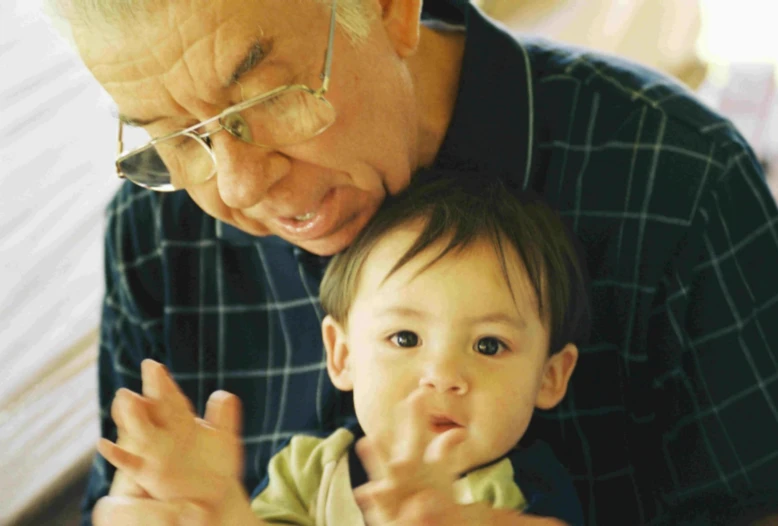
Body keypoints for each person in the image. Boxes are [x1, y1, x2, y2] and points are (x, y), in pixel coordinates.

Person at [43, 0, 778, 523]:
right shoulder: (157, 229)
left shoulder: (683, 182)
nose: (238, 185)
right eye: (176, 138)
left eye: (266, 98)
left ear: (392, 9)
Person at [96, 171, 590, 525]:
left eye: (488, 344)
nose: (442, 374)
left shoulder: (524, 491)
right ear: (343, 354)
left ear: (549, 376)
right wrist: (217, 505)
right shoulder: (309, 469)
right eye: (405, 338)